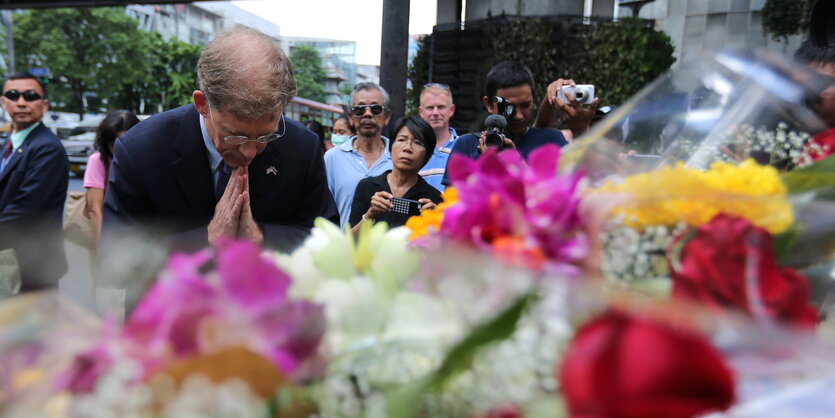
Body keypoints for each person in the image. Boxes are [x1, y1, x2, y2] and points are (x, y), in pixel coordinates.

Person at [102, 25, 338, 252]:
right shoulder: (142, 150)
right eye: (235, 135)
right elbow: (114, 256)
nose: (249, 152)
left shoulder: (301, 147)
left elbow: (327, 243)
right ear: (202, 104)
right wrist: (207, 239)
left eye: (265, 136)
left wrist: (260, 237)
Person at [442, 61, 588, 185]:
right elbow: (453, 207)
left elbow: (561, 198)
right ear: (489, 104)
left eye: (525, 105)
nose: (518, 116)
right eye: (509, 108)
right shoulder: (466, 145)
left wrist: (516, 164)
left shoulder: (550, 141)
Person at [0, 71, 69, 291]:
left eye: (30, 96)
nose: (21, 103)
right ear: (3, 102)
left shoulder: (46, 147)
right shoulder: (7, 145)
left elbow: (26, 209)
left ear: (45, 104)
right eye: (13, 95)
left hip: (32, 266)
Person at [349, 116, 441, 231]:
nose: (407, 148)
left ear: (427, 156)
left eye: (417, 143)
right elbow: (349, 241)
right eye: (402, 140)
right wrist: (370, 215)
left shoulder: (434, 199)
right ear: (391, 147)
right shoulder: (367, 186)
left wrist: (434, 223)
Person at [324, 83, 392, 228]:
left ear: (387, 117)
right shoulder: (332, 158)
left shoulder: (398, 157)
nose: (367, 114)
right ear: (350, 117)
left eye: (376, 109)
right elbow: (323, 209)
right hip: (344, 247)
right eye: (359, 109)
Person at [84, 110, 140, 252]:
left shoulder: (145, 160)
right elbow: (95, 211)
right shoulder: (98, 161)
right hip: (110, 238)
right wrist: (102, 252)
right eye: (113, 142)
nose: (120, 147)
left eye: (126, 140)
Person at [417, 83, 459, 192]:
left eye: (441, 107)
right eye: (430, 108)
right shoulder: (413, 148)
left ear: (451, 110)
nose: (435, 113)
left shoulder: (464, 147)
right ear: (421, 112)